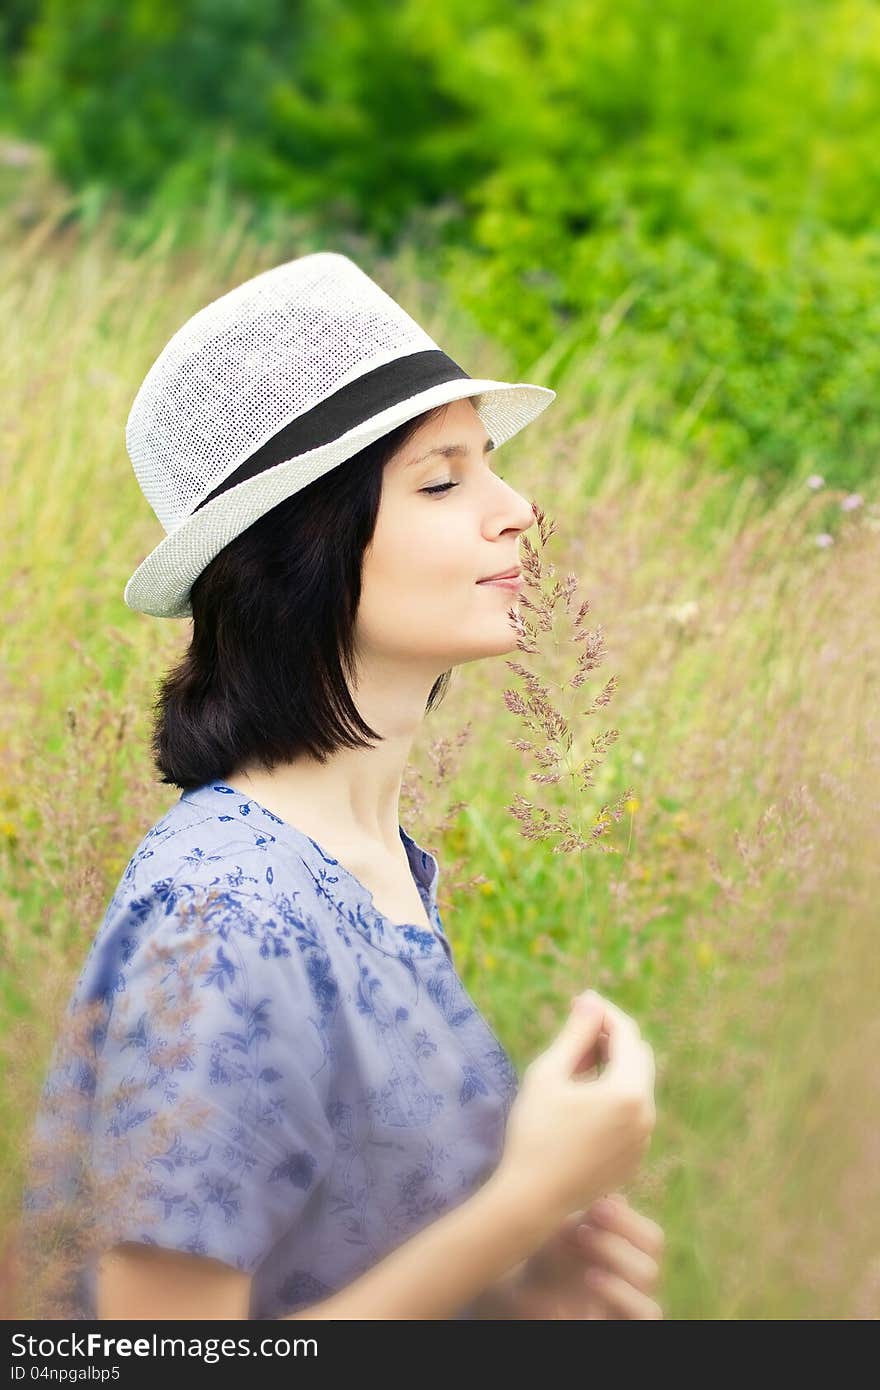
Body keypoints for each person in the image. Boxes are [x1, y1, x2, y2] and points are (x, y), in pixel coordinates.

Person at [21, 252, 657, 1320]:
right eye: (442, 479)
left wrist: (513, 1290)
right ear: (301, 554)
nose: (517, 511)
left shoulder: (371, 869)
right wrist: (524, 1197)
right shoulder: (224, 913)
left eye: (489, 464)